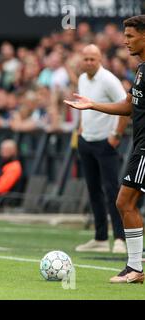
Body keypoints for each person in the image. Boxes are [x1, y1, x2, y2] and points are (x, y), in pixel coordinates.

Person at [64, 15, 145, 284]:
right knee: (124, 201)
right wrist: (92, 105)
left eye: (131, 36)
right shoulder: (141, 69)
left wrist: (114, 133)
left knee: (123, 200)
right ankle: (134, 267)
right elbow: (128, 106)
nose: (125, 40)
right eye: (125, 35)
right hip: (139, 145)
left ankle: (135, 266)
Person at [74, 44, 128, 254]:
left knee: (112, 191)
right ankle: (100, 237)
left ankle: (120, 238)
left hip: (105, 143)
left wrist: (116, 135)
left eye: (92, 59)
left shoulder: (108, 80)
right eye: (85, 59)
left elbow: (126, 106)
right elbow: (83, 106)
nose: (88, 62)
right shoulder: (81, 79)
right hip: (86, 140)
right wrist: (80, 129)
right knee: (93, 190)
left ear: (100, 59)